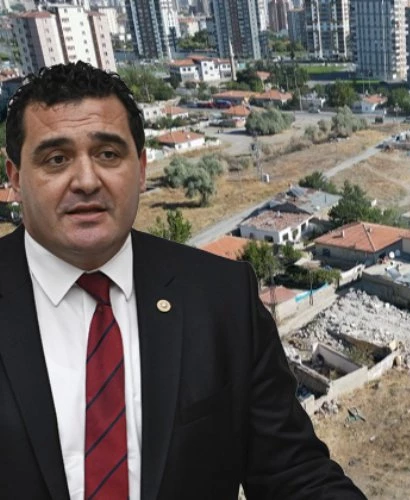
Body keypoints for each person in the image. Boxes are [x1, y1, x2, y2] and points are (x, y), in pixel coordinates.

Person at [0, 62, 365, 500]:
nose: (86, 180)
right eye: (56, 159)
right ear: (15, 178)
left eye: (108, 154)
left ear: (141, 168)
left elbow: (293, 472)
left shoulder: (221, 297)